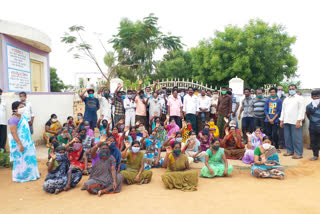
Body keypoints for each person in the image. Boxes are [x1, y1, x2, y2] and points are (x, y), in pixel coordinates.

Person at [8, 101, 40, 183]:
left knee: (30, 158)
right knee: (21, 160)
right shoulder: (13, 119)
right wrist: (19, 144)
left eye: (23, 107)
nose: (23, 109)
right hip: (20, 143)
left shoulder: (23, 117)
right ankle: (21, 177)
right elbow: (13, 133)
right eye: (20, 107)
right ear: (15, 109)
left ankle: (33, 174)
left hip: (28, 143)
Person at [280, 84, 305, 159]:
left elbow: (302, 110)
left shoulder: (300, 98)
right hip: (286, 120)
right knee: (287, 137)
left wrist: (299, 121)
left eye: (293, 88)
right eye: (290, 89)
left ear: (296, 89)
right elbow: (283, 110)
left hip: (295, 121)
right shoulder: (286, 99)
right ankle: (290, 151)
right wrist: (281, 120)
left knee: (297, 138)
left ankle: (299, 153)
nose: (291, 90)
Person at [264, 87, 282, 152]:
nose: (272, 93)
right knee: (268, 134)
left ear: (276, 92)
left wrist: (273, 119)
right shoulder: (267, 100)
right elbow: (265, 110)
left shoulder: (279, 101)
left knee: (275, 134)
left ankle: (276, 147)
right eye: (271, 92)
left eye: (273, 92)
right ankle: (268, 147)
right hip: (267, 120)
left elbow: (279, 111)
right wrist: (269, 119)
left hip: (275, 121)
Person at [306, 90, 320, 161]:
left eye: (318, 96)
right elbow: (308, 115)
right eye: (314, 96)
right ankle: (315, 155)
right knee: (314, 142)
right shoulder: (308, 106)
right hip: (313, 127)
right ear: (312, 97)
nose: (316, 98)